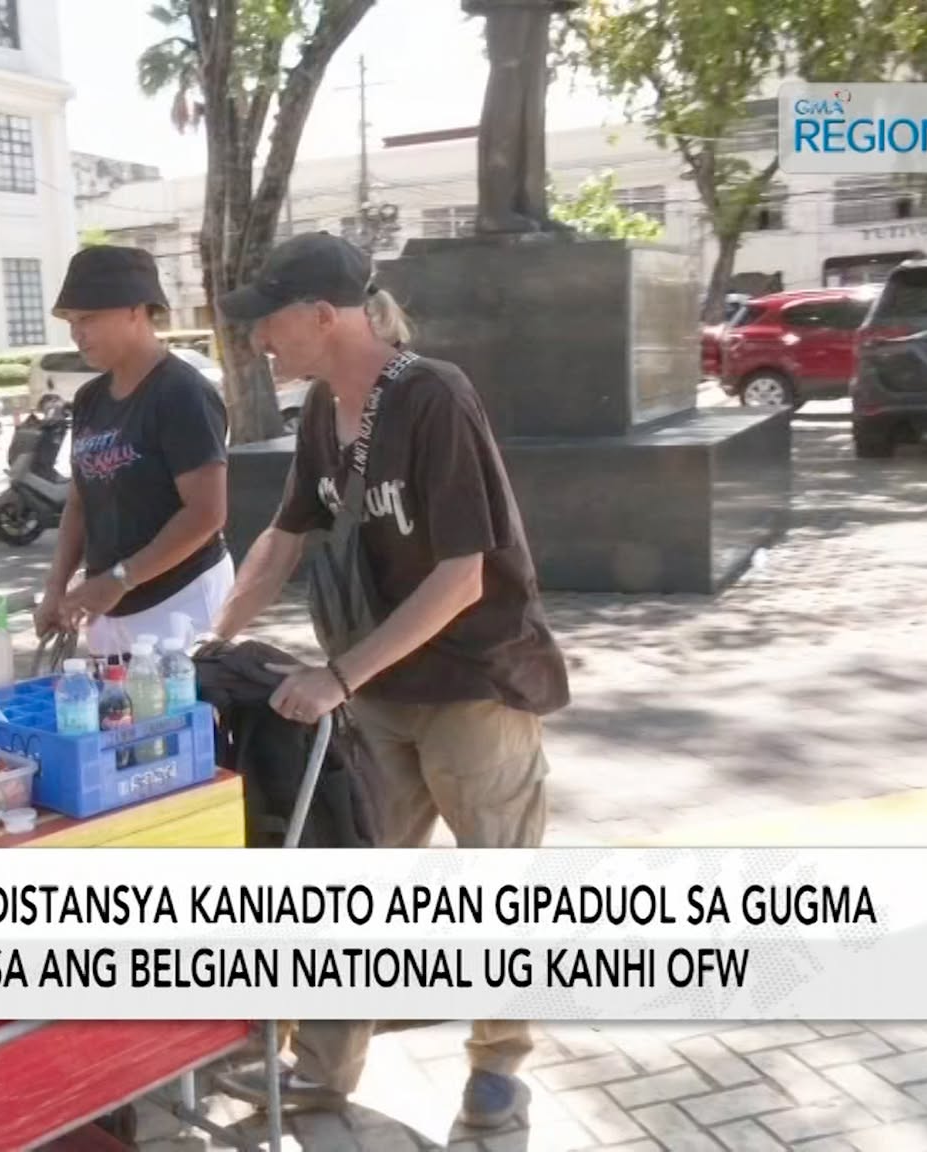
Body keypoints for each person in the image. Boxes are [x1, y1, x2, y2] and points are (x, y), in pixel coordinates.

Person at [208, 232, 570, 1130]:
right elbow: (284, 540)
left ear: (322, 316)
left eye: (269, 321)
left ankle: (499, 1065)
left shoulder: (431, 397)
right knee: (351, 882)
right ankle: (323, 1066)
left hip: (472, 688)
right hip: (379, 697)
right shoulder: (322, 415)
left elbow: (463, 578)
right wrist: (212, 638)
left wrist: (337, 675)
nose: (259, 339)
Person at [34, 245, 232, 657]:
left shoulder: (181, 393)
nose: (77, 333)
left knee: (178, 722)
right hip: (109, 609)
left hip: (181, 604)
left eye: (88, 318)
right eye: (71, 321)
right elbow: (80, 503)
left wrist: (120, 579)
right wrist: (56, 588)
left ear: (135, 311)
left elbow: (206, 514)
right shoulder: (90, 398)